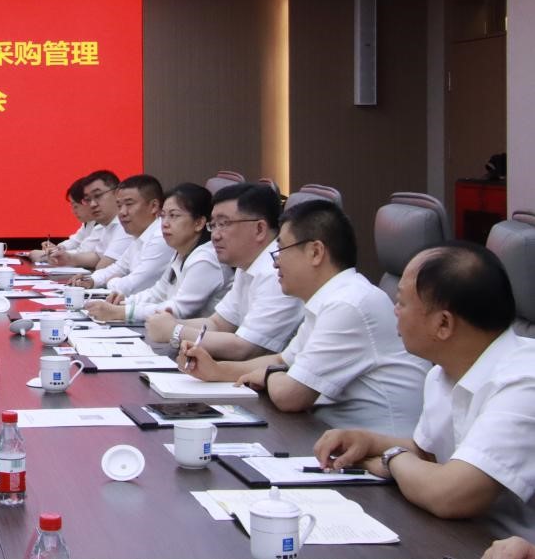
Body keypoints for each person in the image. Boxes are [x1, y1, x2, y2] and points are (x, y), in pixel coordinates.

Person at [314, 242, 535, 538]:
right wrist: (368, 441)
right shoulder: (441, 374)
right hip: (457, 537)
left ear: (443, 323)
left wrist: (392, 458)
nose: (394, 311)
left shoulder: (524, 382)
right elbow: (429, 454)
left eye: (401, 302)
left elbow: (451, 494)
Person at [180, 201, 427, 433]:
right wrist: (217, 370)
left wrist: (269, 375)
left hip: (377, 452)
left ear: (315, 252)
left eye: (281, 250)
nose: (275, 263)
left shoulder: (348, 304)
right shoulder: (329, 299)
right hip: (328, 434)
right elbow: (283, 360)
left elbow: (290, 395)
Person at [145, 183, 302, 360]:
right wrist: (170, 323)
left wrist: (175, 331)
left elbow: (246, 348)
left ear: (259, 229)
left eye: (224, 224)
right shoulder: (246, 264)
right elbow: (218, 324)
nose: (215, 235)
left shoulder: (276, 271)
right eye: (213, 225)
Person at [84, 182, 228, 324]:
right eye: (163, 216)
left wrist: (122, 312)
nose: (165, 223)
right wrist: (123, 303)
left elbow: (179, 309)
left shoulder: (205, 259)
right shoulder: (180, 253)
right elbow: (158, 293)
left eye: (174, 215)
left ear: (199, 223)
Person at [85, 174, 173, 293]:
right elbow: (118, 268)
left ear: (154, 206)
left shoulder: (161, 237)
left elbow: (135, 285)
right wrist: (91, 280)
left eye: (129, 204)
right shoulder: (139, 235)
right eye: (119, 206)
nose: (122, 212)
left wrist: (111, 282)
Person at [47, 170, 133, 284]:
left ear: (117, 194)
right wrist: (68, 258)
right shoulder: (106, 225)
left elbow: (103, 266)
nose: (92, 204)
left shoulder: (127, 224)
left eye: (98, 196)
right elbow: (97, 256)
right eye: (88, 199)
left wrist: (89, 280)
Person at [28, 178, 94, 262]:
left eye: (75, 206)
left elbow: (84, 253)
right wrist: (57, 248)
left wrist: (47, 255)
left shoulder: (101, 223)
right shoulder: (88, 222)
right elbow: (75, 241)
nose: (73, 211)